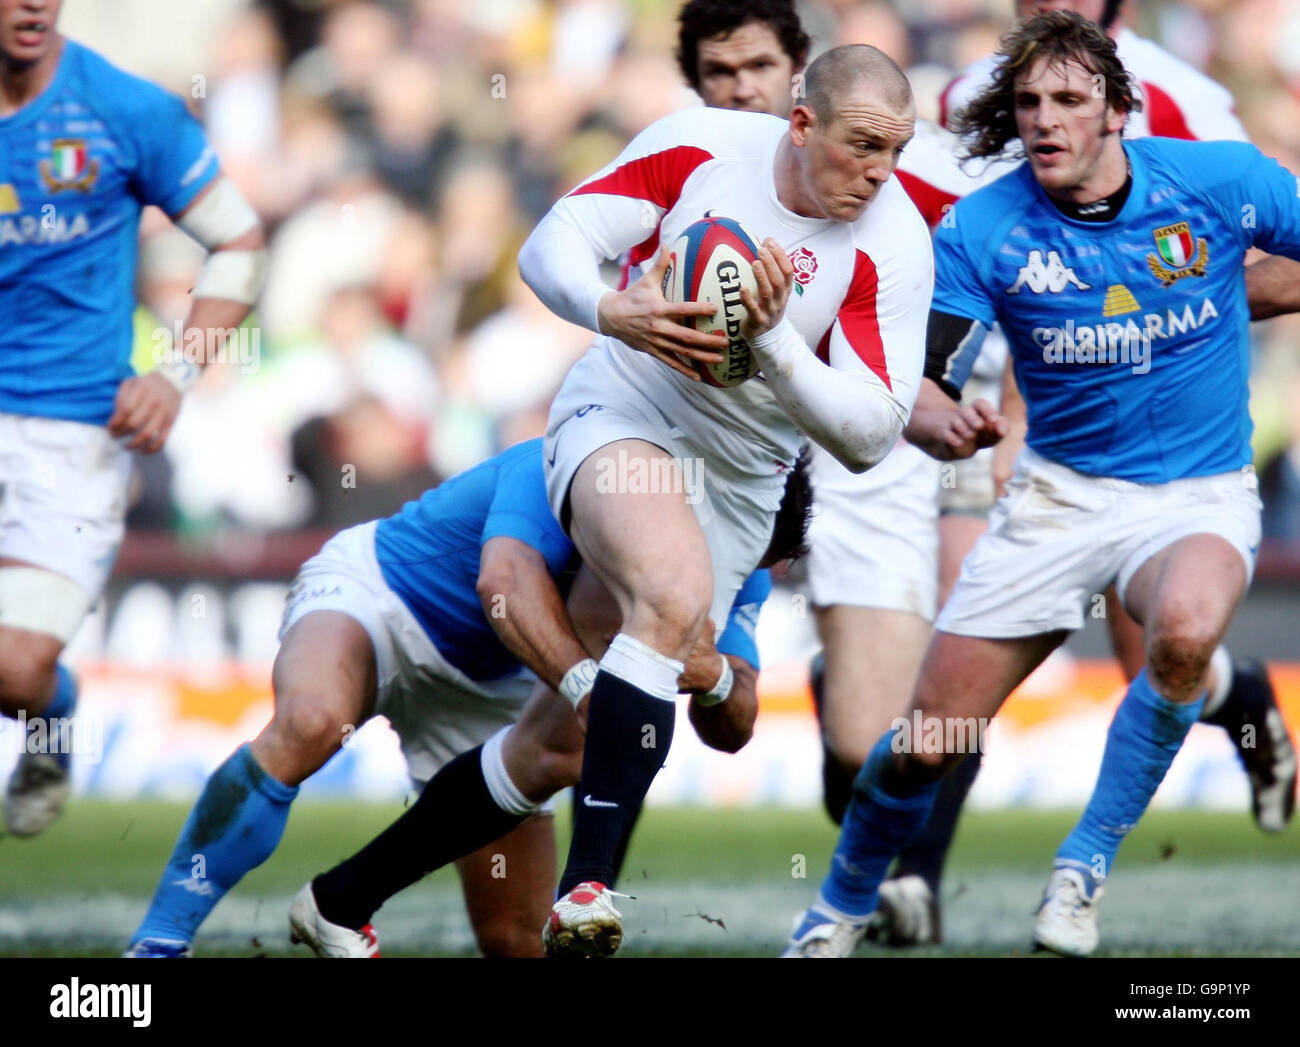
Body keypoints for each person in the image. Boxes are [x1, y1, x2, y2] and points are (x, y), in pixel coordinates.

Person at [786, 11, 1300, 958]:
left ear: (1118, 112)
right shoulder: (983, 226)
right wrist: (942, 421)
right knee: (924, 741)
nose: (1046, 119)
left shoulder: (1220, 182)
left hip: (1198, 493)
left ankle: (1080, 872)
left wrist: (1229, 294)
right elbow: (928, 373)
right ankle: (839, 904)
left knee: (1182, 633)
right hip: (1053, 499)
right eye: (1028, 102)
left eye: (1070, 100)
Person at [521, 41, 962, 957]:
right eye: (864, 146)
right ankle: (583, 896)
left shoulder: (894, 241)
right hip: (626, 410)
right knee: (671, 598)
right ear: (800, 123)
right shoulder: (699, 146)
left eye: (898, 150)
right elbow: (549, 243)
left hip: (749, 477)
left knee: (664, 725)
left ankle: (340, 896)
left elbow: (873, 432)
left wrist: (773, 344)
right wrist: (614, 311)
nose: (882, 174)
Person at [124, 439, 791, 958]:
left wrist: (718, 679)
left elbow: (734, 728)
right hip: (383, 596)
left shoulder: (736, 568)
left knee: (518, 941)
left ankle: (341, 901)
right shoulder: (581, 463)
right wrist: (589, 690)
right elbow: (501, 585)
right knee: (310, 719)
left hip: (499, 691)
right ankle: (160, 939)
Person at [0, 0, 265, 836]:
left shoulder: (125, 110)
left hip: (73, 433)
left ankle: (54, 703)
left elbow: (239, 242)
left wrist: (176, 372)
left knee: (14, 670)